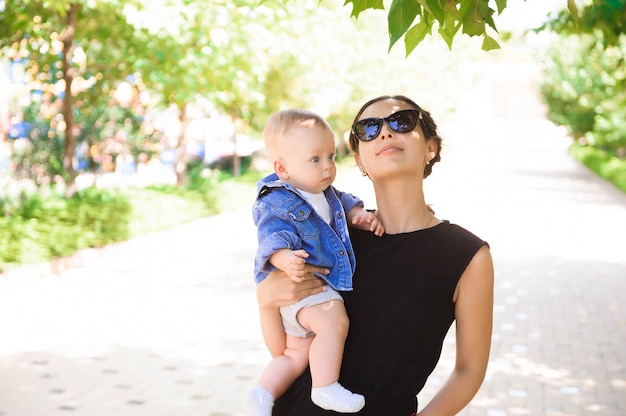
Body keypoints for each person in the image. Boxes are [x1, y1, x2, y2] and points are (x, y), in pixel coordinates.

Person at [256, 95, 494, 415]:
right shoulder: (329, 241)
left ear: (430, 148)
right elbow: (285, 350)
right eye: (368, 129)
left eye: (402, 121)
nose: (384, 132)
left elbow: (470, 370)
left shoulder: (466, 255)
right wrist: (265, 300)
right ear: (359, 159)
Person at [246, 109, 385, 415]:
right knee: (335, 320)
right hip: (306, 289)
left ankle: (262, 394)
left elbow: (343, 203)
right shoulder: (277, 200)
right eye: (315, 159)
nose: (327, 167)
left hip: (296, 304)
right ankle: (324, 388)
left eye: (331, 157)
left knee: (295, 356)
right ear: (282, 168)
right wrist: (283, 257)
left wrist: (358, 215)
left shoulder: (323, 191)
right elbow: (270, 235)